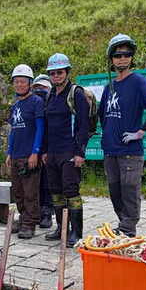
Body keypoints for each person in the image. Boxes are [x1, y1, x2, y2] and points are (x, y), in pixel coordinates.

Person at [99, 34, 146, 237]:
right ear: (111, 59)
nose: (122, 58)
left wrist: (141, 132)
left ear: (131, 57)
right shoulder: (109, 87)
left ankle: (128, 228)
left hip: (130, 152)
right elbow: (102, 115)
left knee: (129, 189)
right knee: (115, 191)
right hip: (111, 150)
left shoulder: (138, 81)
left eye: (127, 54)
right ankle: (123, 223)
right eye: (118, 55)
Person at [43, 53, 91, 246]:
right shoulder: (50, 95)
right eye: (53, 73)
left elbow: (83, 125)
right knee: (55, 191)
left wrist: (80, 152)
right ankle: (61, 228)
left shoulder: (76, 93)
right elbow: (46, 125)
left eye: (60, 72)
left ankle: (76, 232)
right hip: (52, 152)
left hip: (70, 152)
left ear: (67, 72)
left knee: (71, 191)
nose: (56, 76)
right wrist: (45, 151)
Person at [5, 64, 44, 239]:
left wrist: (35, 152)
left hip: (30, 155)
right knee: (18, 191)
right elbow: (13, 130)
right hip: (16, 155)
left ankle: (30, 223)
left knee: (30, 192)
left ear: (29, 83)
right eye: (16, 82)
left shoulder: (36, 102)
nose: (19, 84)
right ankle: (23, 217)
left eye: (23, 81)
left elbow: (40, 128)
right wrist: (9, 152)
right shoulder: (15, 106)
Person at [31, 74, 54, 229]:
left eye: (43, 88)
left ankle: (47, 213)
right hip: (32, 148)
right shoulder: (30, 103)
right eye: (37, 87)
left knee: (47, 182)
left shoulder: (54, 103)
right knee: (33, 182)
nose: (40, 90)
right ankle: (34, 212)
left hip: (50, 148)